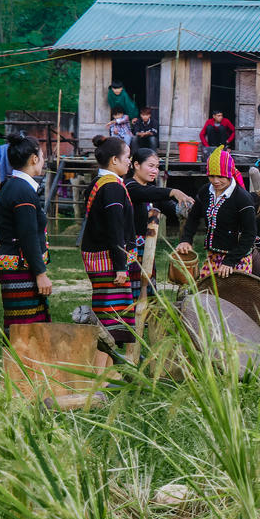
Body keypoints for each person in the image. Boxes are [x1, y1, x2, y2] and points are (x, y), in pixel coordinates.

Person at [80, 135, 136, 358]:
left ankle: (108, 367)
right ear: (114, 160)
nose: (129, 162)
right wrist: (121, 266)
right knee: (109, 316)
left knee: (108, 311)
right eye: (127, 157)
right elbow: (115, 229)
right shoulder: (112, 187)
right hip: (108, 259)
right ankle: (104, 367)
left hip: (101, 255)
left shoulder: (99, 182)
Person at [0, 133, 52, 332]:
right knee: (24, 330)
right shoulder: (22, 191)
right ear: (34, 158)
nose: (43, 161)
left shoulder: (15, 186)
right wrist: (41, 273)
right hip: (19, 266)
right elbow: (27, 236)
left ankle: (19, 364)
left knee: (22, 326)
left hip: (17, 264)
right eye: (42, 156)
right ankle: (17, 364)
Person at [176, 146, 256, 278]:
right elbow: (193, 218)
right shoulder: (205, 191)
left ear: (230, 174)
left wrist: (230, 261)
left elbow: (250, 234)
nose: (215, 181)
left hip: (237, 259)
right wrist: (186, 240)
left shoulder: (243, 199)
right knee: (206, 295)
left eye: (220, 176)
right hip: (212, 256)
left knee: (234, 297)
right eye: (211, 176)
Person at [126, 148, 194, 300]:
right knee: (131, 290)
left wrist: (188, 208)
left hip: (148, 250)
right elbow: (145, 193)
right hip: (130, 249)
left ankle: (145, 320)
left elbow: (173, 209)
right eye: (150, 166)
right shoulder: (129, 187)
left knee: (148, 290)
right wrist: (173, 191)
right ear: (136, 165)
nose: (155, 171)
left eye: (157, 167)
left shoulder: (153, 191)